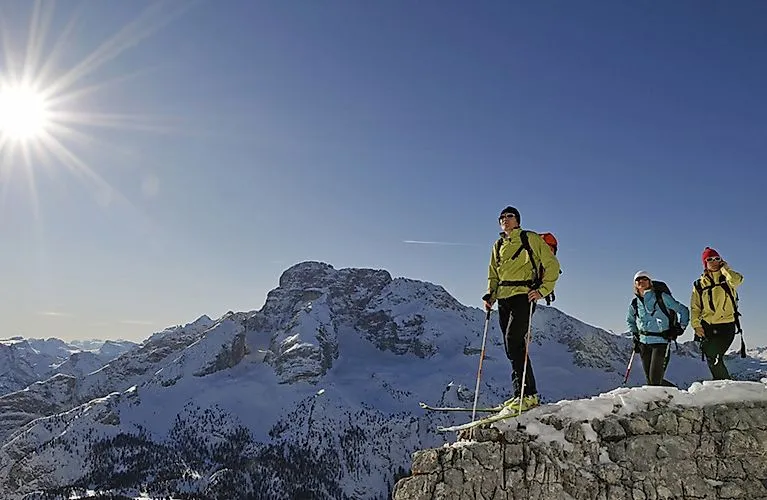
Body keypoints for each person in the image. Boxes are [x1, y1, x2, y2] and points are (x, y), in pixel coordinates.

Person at [482, 206, 560, 410]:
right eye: (501, 217)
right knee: (512, 347)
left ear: (517, 220)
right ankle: (521, 394)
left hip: (522, 296)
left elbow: (551, 264)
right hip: (503, 299)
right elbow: (493, 273)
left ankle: (529, 394)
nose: (505, 220)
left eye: (509, 216)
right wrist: (491, 294)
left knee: (513, 340)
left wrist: (543, 290)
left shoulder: (529, 238)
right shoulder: (498, 244)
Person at [626, 271, 689, 386]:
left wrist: (680, 328)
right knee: (650, 381)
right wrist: (635, 335)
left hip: (661, 342)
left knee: (654, 381)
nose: (641, 281)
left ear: (650, 282)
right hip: (643, 344)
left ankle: (674, 397)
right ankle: (672, 395)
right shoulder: (635, 303)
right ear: (635, 284)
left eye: (644, 279)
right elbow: (630, 320)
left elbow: (683, 311)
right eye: (638, 280)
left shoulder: (662, 297)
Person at [691, 247, 744, 380]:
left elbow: (737, 280)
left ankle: (726, 386)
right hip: (708, 326)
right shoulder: (699, 284)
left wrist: (725, 269)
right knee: (711, 358)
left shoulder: (727, 279)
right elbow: (695, 307)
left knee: (715, 356)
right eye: (710, 259)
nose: (714, 261)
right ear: (705, 263)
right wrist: (696, 325)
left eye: (717, 258)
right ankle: (722, 385)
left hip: (727, 326)